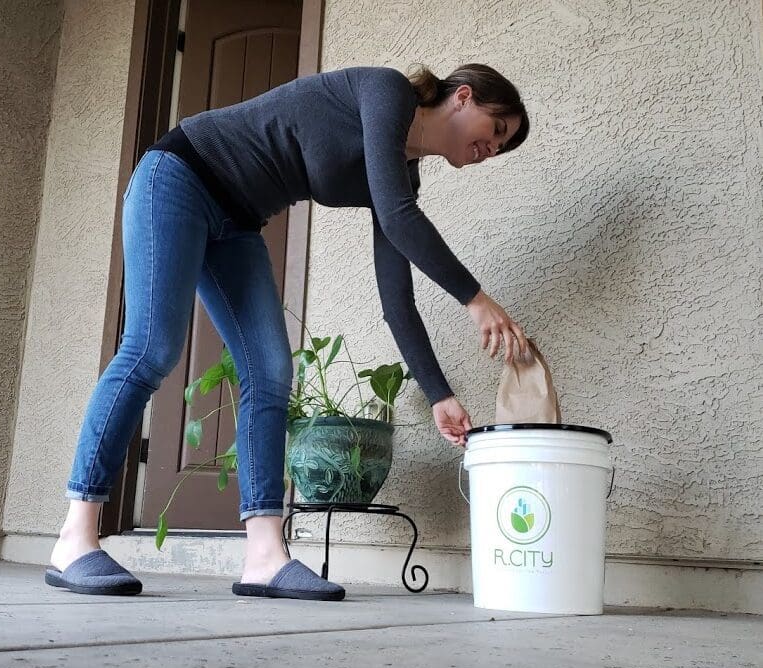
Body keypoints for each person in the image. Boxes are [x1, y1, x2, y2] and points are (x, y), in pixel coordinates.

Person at [44, 63, 531, 601]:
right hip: (179, 176)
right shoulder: (386, 93)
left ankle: (264, 556)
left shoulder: (401, 171)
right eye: (498, 131)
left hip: (237, 223)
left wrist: (439, 394)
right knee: (152, 348)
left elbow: (396, 297)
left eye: (503, 149)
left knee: (270, 370)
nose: (494, 150)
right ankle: (75, 536)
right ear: (463, 97)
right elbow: (397, 218)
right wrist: (476, 299)